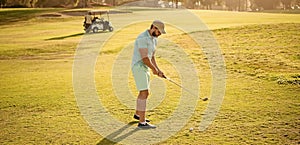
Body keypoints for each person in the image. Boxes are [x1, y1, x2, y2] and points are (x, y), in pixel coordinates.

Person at [131, 20, 166, 129]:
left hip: (145, 67)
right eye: (159, 32)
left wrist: (158, 70)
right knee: (144, 93)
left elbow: (152, 57)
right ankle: (142, 122)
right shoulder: (142, 38)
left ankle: (138, 114)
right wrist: (154, 70)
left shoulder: (154, 39)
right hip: (138, 66)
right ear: (154, 28)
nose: (160, 34)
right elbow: (145, 58)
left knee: (145, 92)